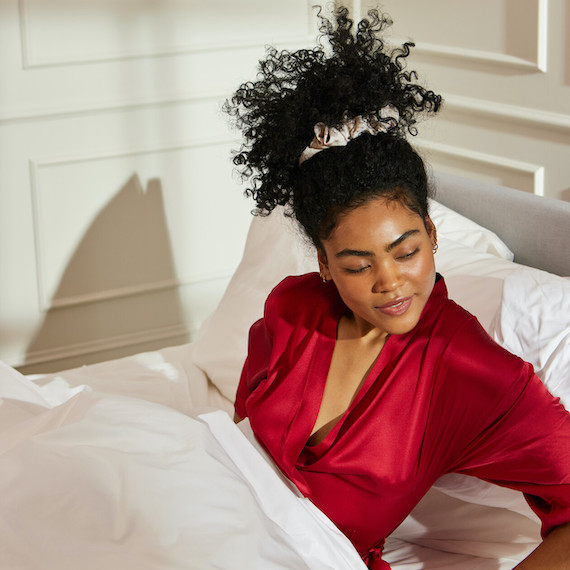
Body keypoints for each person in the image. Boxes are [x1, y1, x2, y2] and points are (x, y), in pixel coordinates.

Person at [225, 7, 570, 569]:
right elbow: (240, 444)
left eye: (407, 252)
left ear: (433, 236)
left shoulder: (471, 369)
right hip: (211, 525)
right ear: (325, 265)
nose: (389, 282)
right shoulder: (289, 308)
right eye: (357, 265)